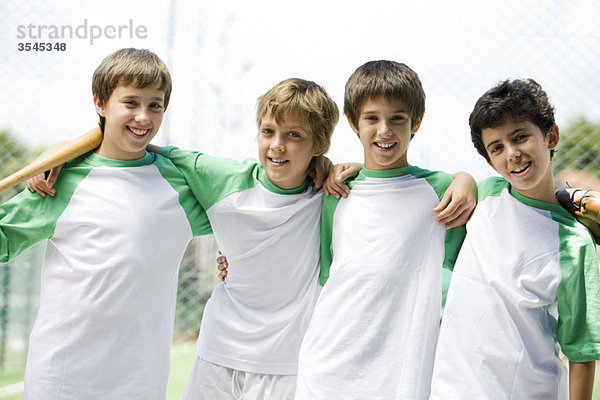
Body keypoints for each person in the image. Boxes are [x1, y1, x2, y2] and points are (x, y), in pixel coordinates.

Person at [0, 48, 213, 399]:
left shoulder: (179, 185)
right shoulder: (62, 180)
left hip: (139, 382)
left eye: (154, 105)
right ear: (100, 103)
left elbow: (248, 211)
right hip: (60, 378)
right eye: (130, 103)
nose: (143, 116)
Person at [293, 60, 473, 400]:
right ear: (353, 122)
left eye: (397, 119)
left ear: (416, 122)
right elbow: (329, 273)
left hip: (401, 369)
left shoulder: (442, 191)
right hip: (329, 361)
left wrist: (467, 179)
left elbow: (449, 270)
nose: (384, 130)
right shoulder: (338, 191)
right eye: (372, 118)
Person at [429, 79, 600, 400]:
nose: (512, 153)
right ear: (489, 162)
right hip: (452, 390)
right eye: (497, 147)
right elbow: (414, 185)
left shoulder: (574, 242)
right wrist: (461, 177)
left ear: (551, 136)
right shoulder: (485, 194)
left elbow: (582, 347)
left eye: (520, 137)